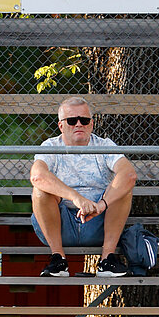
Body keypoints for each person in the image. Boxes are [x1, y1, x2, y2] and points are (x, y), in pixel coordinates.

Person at [29, 95, 139, 277]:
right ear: (61, 126)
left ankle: (107, 260)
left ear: (92, 124)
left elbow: (129, 174)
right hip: (60, 225)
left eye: (84, 120)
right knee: (40, 191)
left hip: (99, 223)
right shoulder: (50, 146)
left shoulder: (105, 146)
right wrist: (76, 198)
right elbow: (37, 176)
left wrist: (101, 204)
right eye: (72, 120)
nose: (79, 124)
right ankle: (58, 259)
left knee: (123, 189)